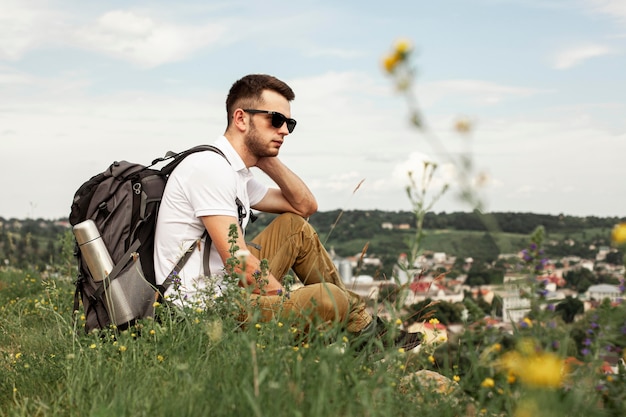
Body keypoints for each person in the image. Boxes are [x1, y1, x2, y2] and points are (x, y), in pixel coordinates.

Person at [153, 74, 422, 350]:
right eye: (276, 120)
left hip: (226, 288)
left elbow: (304, 207)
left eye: (289, 123)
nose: (285, 131)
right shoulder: (210, 169)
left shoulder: (236, 173)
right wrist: (287, 304)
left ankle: (358, 327)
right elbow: (240, 264)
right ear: (241, 119)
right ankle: (357, 324)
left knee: (294, 227)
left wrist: (265, 159)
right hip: (206, 310)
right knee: (332, 300)